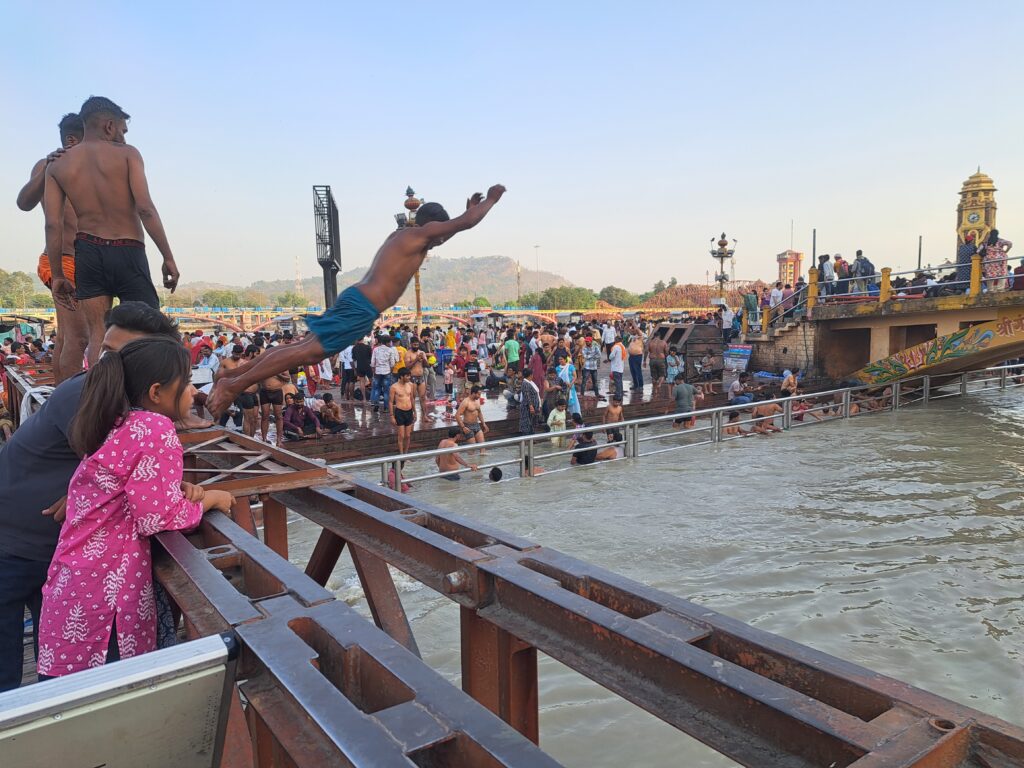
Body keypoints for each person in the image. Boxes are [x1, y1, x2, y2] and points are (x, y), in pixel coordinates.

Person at [0, 303, 195, 690]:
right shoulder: (96, 396)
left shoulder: (125, 409)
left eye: (125, 356)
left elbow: (122, 476)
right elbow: (150, 500)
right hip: (18, 544)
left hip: (61, 557)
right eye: (107, 352)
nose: (109, 364)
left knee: (58, 672)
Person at [207, 186, 505, 416]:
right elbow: (465, 224)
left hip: (356, 297)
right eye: (440, 232)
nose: (440, 239)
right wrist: (491, 200)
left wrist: (461, 217)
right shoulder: (422, 235)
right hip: (363, 308)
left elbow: (449, 230)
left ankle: (230, 374)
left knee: (299, 348)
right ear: (432, 226)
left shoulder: (404, 236)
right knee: (306, 353)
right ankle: (232, 387)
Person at [36, 338, 234, 679]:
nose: (192, 391)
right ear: (156, 392)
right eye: (185, 383)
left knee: (71, 699)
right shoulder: (155, 428)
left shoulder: (117, 421)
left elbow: (128, 493)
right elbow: (156, 518)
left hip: (75, 586)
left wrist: (174, 491)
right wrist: (215, 499)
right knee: (106, 699)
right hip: (106, 597)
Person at [42, 97, 181, 367]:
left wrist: (58, 274)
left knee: (98, 335)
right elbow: (145, 209)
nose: (123, 136)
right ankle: (145, 400)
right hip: (128, 249)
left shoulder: (58, 165)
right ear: (109, 126)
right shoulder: (128, 154)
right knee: (149, 331)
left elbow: (52, 225)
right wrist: (168, 257)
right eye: (122, 129)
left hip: (88, 252)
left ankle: (100, 401)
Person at [17, 112, 89, 383]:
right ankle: (70, 409)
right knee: (80, 336)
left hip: (85, 261)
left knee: (69, 336)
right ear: (72, 140)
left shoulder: (89, 170)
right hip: (62, 262)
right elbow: (24, 202)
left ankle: (61, 395)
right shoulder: (49, 167)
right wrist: (47, 166)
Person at [389, 367, 416, 453]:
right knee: (401, 435)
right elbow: (390, 402)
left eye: (409, 376)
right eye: (407, 376)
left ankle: (406, 454)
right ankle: (401, 455)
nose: (409, 378)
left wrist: (415, 412)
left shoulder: (411, 385)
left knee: (408, 435)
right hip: (399, 412)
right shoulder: (394, 387)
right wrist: (392, 416)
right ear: (401, 376)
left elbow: (412, 399)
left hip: (409, 411)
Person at [456, 385, 488, 454]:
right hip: (468, 426)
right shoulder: (465, 402)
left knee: (483, 447)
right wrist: (463, 427)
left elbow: (479, 413)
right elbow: (457, 415)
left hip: (476, 425)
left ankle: (482, 464)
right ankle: (471, 463)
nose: (480, 396)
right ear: (473, 393)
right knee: (472, 449)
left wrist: (483, 423)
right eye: (478, 394)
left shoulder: (477, 401)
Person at [518, 368, 542, 435]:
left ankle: (532, 438)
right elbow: (527, 395)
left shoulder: (530, 382)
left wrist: (539, 405)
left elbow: (536, 394)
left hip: (534, 407)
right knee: (527, 423)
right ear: (531, 375)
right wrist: (531, 406)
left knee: (532, 423)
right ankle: (526, 439)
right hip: (527, 407)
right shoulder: (525, 383)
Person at [608, 334, 627, 400]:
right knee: (619, 381)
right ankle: (620, 393)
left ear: (616, 340)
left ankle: (618, 396)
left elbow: (611, 356)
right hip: (621, 367)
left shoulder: (616, 347)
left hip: (616, 367)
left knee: (617, 382)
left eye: (615, 339)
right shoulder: (623, 346)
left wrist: (608, 358)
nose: (614, 340)